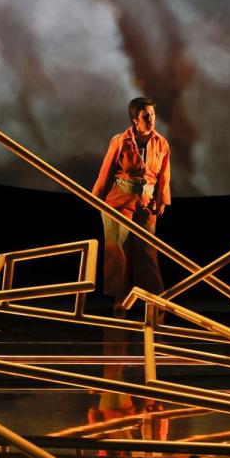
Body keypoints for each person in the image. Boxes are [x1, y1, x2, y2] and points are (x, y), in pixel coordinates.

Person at [92, 97, 171, 310]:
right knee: (118, 251)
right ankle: (120, 298)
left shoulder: (161, 142)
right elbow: (106, 169)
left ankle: (152, 298)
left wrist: (162, 198)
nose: (151, 118)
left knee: (147, 250)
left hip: (146, 200)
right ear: (135, 119)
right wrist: (97, 196)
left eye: (152, 114)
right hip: (119, 200)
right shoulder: (120, 140)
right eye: (145, 115)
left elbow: (164, 174)